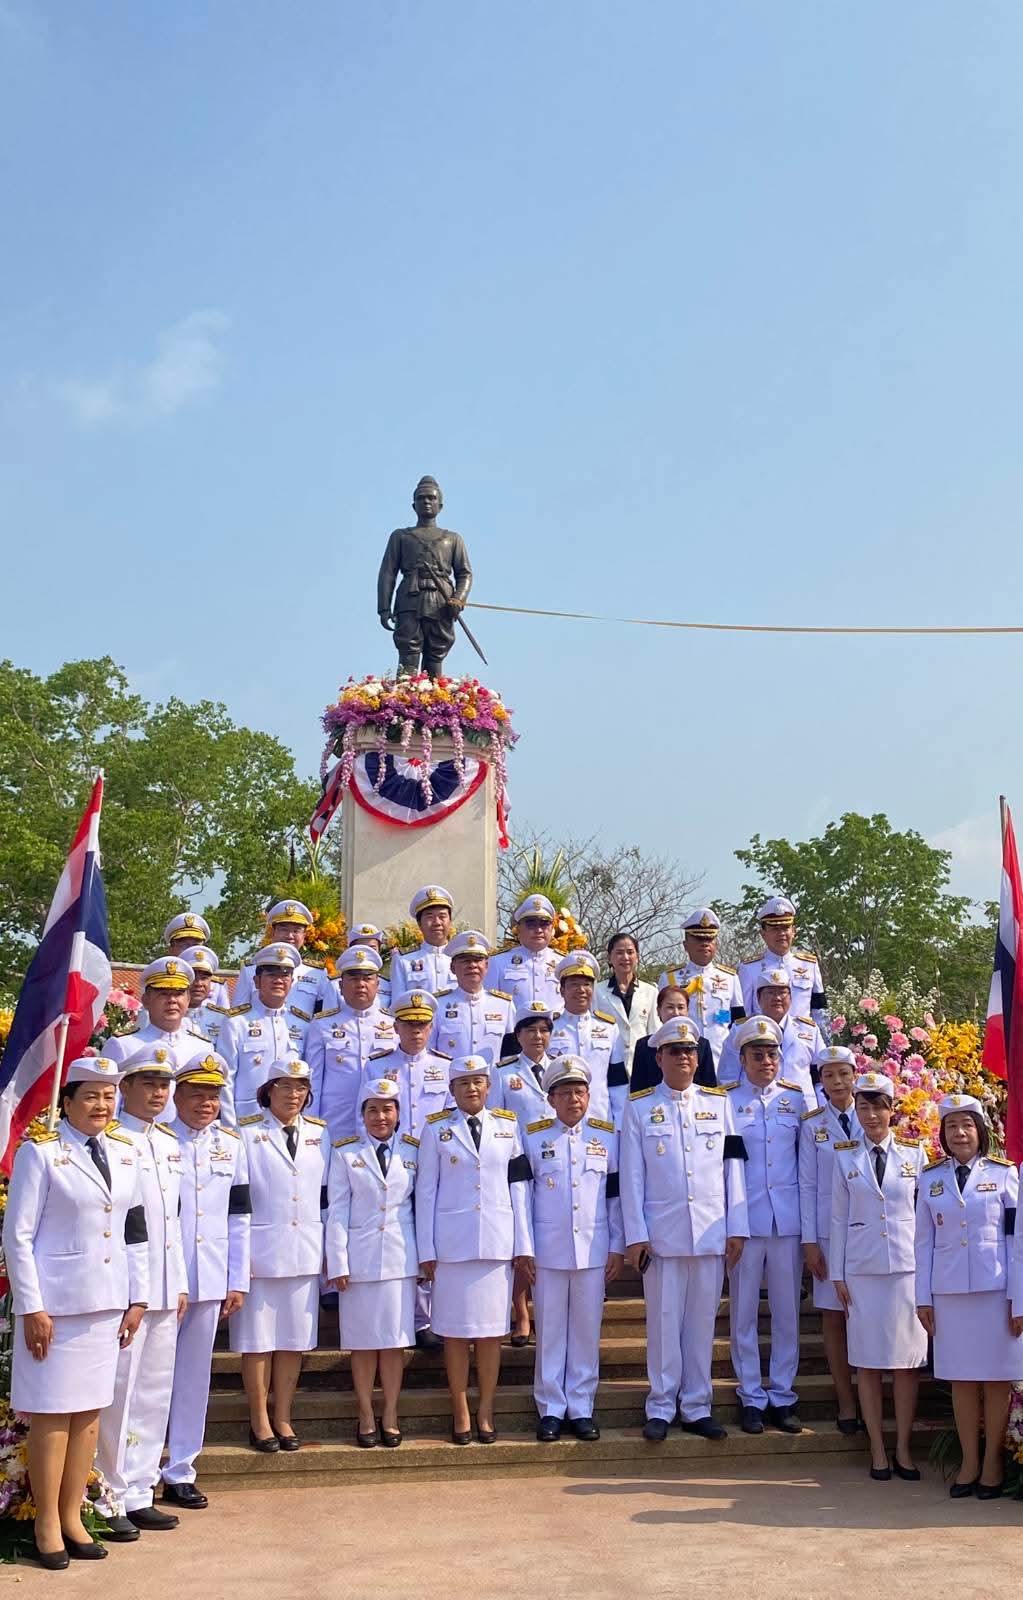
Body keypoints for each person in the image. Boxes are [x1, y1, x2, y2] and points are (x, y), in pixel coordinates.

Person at [2, 1055, 149, 1567]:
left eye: (109, 1096)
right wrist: (32, 1307)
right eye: (90, 1096)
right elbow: (18, 1236)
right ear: (67, 1102)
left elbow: (135, 1231)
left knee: (89, 1413)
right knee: (52, 1413)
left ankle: (71, 1515)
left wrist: (138, 1298)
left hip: (107, 1303)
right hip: (56, 1309)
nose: (101, 1105)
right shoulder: (42, 1154)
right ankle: (45, 1521)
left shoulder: (126, 1154)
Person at [620, 1018, 748, 1441]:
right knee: (663, 1324)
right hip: (662, 1235)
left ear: (698, 1058)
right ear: (659, 1058)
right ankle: (660, 1404)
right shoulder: (639, 1107)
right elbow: (632, 1177)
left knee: (701, 1325)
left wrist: (737, 1227)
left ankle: (696, 1406)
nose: (683, 1058)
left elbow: (733, 1168)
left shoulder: (718, 1103)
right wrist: (636, 1235)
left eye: (689, 1051)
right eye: (674, 1051)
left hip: (710, 1231)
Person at [416, 1055, 533, 1444]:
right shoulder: (436, 1129)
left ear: (488, 1086)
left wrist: (523, 1244)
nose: (471, 1088)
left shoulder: (507, 1126)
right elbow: (426, 1191)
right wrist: (425, 1248)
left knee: (490, 1335)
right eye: (463, 1083)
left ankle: (486, 1409)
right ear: (451, 1090)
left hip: (496, 1244)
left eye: (478, 1081)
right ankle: (461, 1409)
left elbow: (519, 1187)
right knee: (453, 1335)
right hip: (452, 1247)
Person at [95, 1052, 188, 1539]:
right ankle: (107, 1493)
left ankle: (139, 1490)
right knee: (118, 1394)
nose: (158, 1092)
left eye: (163, 1084)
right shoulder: (111, 1141)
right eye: (148, 1083)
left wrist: (181, 1281)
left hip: (166, 1286)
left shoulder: (168, 1141)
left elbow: (173, 1221)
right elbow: (127, 1225)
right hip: (131, 1290)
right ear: (125, 1088)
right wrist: (137, 1292)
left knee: (154, 1392)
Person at [915, 1093, 1023, 1499]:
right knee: (961, 1379)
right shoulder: (931, 1177)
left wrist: (1019, 1299)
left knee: (996, 1380)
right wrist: (923, 1298)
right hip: (950, 1293)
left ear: (980, 1131)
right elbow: (922, 1243)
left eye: (966, 1125)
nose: (959, 1133)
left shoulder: (1005, 1174)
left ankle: (992, 1463)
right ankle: (970, 1463)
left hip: (997, 1293)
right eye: (951, 1126)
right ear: (942, 1134)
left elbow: (1017, 1242)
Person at [160, 1056, 251, 1511]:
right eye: (196, 1094)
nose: (205, 1104)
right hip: (162, 1279)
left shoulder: (231, 1145)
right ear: (176, 1097)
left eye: (212, 1096)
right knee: (150, 1379)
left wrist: (237, 1278)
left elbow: (240, 1215)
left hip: (211, 1276)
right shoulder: (158, 1141)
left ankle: (180, 1470)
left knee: (194, 1379)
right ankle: (135, 1474)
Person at [521, 1056, 624, 1441]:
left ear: (589, 1096)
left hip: (593, 1248)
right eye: (564, 1093)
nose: (573, 1100)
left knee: (585, 1331)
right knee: (550, 1331)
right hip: (547, 1251)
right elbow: (523, 1199)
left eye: (579, 1092)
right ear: (551, 1099)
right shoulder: (533, 1137)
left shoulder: (606, 1136)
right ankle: (550, 1408)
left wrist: (617, 1245)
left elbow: (614, 1197)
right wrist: (525, 1248)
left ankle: (581, 1407)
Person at [830, 1070, 927, 1481]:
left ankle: (903, 1447)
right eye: (864, 1107)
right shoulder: (844, 1156)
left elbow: (926, 1219)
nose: (871, 1116)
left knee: (907, 1363)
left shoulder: (915, 1155)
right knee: (867, 1363)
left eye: (878, 1108)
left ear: (892, 1111)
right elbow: (837, 1218)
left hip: (907, 1270)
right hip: (862, 1271)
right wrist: (837, 1274)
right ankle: (877, 1449)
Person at [232, 1061, 329, 1451]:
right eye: (285, 1086)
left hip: (305, 1250)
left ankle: (283, 1416)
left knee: (293, 1340)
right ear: (268, 1090)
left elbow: (326, 1197)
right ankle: (259, 1420)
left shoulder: (320, 1134)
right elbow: (238, 1200)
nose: (293, 1094)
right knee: (257, 1342)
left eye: (300, 1087)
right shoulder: (246, 1134)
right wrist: (238, 1259)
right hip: (260, 1254)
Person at [726, 1016, 812, 1435]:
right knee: (743, 1314)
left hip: (787, 1220)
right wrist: (731, 1223)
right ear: (742, 1059)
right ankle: (750, 1396)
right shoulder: (726, 1101)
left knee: (786, 1314)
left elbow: (807, 1164)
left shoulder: (796, 1100)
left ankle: (782, 1394)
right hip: (745, 1220)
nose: (766, 1061)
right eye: (757, 1055)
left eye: (771, 1054)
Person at [326, 1076, 420, 1447]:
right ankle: (365, 1413)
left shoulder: (413, 1150)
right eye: (373, 1110)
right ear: (362, 1115)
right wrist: (338, 1262)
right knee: (363, 1343)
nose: (381, 1117)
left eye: (387, 1109)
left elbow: (420, 1204)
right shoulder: (346, 1152)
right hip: (359, 1260)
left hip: (400, 1257)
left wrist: (424, 1258)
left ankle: (391, 1413)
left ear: (398, 1113)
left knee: (395, 1343)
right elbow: (337, 1210)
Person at [362, 987, 450, 1350]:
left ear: (431, 1028)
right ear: (395, 1027)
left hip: (432, 1161)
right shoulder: (377, 1065)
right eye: (408, 1025)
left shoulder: (444, 1066)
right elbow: (364, 1111)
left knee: (429, 1234)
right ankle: (404, 1315)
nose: (415, 1031)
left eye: (422, 1025)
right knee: (399, 1232)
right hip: (393, 1159)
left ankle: (426, 1318)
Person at [798, 1045, 861, 1432]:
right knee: (834, 1318)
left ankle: (869, 1395)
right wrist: (809, 1242)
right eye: (829, 1075)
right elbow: (806, 1185)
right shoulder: (812, 1125)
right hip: (827, 1234)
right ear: (820, 1081)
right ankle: (846, 1402)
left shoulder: (873, 1114)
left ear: (855, 1076)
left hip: (869, 1233)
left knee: (866, 1315)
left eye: (843, 1073)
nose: (837, 1082)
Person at [489, 1001, 557, 1347]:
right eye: (530, 1030)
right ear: (518, 1036)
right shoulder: (503, 1072)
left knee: (547, 1237)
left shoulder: (562, 1067)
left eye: (544, 1030)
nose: (538, 1036)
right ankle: (521, 1312)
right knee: (521, 1237)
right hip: (518, 1166)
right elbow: (495, 1120)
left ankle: (545, 1308)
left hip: (555, 1165)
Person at [376, 474, 473, 677]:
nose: (426, 501)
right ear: (414, 505)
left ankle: (435, 695)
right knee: (408, 649)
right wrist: (384, 608)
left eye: (431, 498)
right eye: (421, 498)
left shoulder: (453, 539)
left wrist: (459, 599)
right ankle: (405, 694)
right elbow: (387, 573)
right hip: (409, 598)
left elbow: (464, 573)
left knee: (436, 651)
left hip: (441, 600)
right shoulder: (400, 536)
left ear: (440, 505)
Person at [306, 945, 397, 1142]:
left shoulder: (393, 1024)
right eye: (354, 978)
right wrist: (311, 1126)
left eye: (367, 978)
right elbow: (313, 1081)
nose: (361, 984)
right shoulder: (322, 1025)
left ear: (377, 984)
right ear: (340, 986)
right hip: (336, 1122)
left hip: (382, 1126)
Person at [217, 943, 311, 1125]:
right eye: (271, 974)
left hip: (289, 1121)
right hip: (246, 1120)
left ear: (292, 981)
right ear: (257, 981)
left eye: (285, 975)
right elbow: (226, 1078)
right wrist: (229, 1125)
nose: (278, 980)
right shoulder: (236, 1022)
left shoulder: (303, 1024)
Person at [547, 951, 628, 1125]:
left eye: (587, 984)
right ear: (562, 990)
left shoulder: (609, 1028)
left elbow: (618, 1082)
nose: (582, 990)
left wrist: (620, 1122)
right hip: (559, 1120)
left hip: (600, 1117)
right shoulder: (549, 1028)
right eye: (574, 984)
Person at [718, 968, 824, 1100]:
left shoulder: (809, 1030)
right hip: (754, 1105)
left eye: (782, 992)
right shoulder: (740, 1029)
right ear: (758, 998)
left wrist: (821, 1106)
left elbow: (822, 1075)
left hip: (803, 1104)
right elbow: (728, 1076)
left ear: (791, 997)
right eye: (770, 993)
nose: (777, 998)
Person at [659, 908, 745, 1069]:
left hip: (722, 1058)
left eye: (710, 939)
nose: (705, 943)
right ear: (685, 945)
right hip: (684, 1058)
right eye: (698, 939)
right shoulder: (670, 978)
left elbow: (738, 1021)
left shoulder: (730, 977)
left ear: (716, 944)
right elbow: (662, 1021)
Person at [105, 956, 211, 1071]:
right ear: (146, 1000)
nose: (172, 1000)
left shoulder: (202, 1047)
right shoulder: (123, 1045)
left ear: (188, 999)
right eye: (163, 993)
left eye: (178, 994)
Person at [737, 896, 828, 1030]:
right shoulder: (749, 968)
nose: (781, 934)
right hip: (765, 1038)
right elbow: (744, 1015)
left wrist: (825, 1039)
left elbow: (820, 1011)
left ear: (794, 931)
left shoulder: (809, 965)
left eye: (785, 928)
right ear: (763, 934)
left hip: (802, 1038)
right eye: (775, 929)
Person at [231, 899, 335, 1015]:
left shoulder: (317, 973)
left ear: (304, 935)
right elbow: (238, 1012)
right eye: (284, 930)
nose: (290, 936)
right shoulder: (250, 969)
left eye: (296, 931)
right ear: (273, 932)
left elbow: (324, 1017)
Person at [430, 930, 514, 1065]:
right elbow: (429, 1051)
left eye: (478, 960)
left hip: (492, 1077)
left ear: (486, 966)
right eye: (465, 960)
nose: (472, 965)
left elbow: (511, 1054)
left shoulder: (504, 1005)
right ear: (452, 967)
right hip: (451, 1076)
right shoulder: (437, 1005)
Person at [594, 931, 659, 1078]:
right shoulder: (597, 991)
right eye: (619, 953)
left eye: (630, 952)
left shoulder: (651, 991)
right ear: (609, 958)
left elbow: (654, 1032)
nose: (625, 957)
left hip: (643, 1066)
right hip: (609, 1066)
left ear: (637, 956)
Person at [630, 985, 717, 1092]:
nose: (676, 1013)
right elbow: (638, 1088)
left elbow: (709, 1088)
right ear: (658, 1011)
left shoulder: (702, 1044)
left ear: (687, 1010)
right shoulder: (644, 1045)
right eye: (670, 1007)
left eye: (681, 1007)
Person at [488, 895, 563, 1013]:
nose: (538, 930)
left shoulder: (564, 962)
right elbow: (489, 1004)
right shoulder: (497, 962)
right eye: (531, 924)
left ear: (552, 928)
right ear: (519, 929)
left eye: (544, 924)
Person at [389, 884, 454, 994]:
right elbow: (398, 1000)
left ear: (450, 921)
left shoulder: (461, 958)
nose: (437, 922)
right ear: (419, 924)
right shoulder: (403, 960)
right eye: (430, 917)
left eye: (442, 916)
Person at [163, 914, 229, 1010]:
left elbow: (224, 1016)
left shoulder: (216, 985)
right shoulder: (158, 980)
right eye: (184, 945)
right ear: (170, 949)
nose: (191, 950)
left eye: (196, 945)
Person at [185, 946, 232, 1052]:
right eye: (193, 978)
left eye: (204, 978)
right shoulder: (165, 1016)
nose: (198, 984)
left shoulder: (222, 1019)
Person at [346, 923, 392, 1008]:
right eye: (362, 948)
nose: (367, 953)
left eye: (372, 949)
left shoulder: (389, 984)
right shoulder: (336, 984)